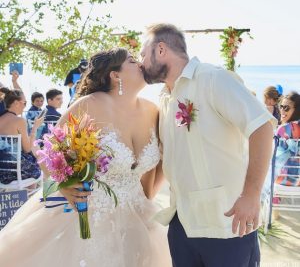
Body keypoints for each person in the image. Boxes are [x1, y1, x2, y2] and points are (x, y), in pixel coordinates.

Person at [0, 48, 171, 267]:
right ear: (115, 74)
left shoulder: (153, 110)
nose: (140, 64)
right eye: (132, 61)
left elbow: (149, 185)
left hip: (140, 217)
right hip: (90, 216)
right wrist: (63, 184)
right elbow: (45, 152)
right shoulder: (88, 105)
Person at [140, 23, 276, 267]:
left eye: (142, 53)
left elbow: (263, 128)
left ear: (161, 50)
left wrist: (252, 195)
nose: (140, 62)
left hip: (226, 224)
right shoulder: (164, 98)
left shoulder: (213, 78)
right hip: (182, 227)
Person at [0, 88, 44, 185]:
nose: (25, 106)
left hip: (1, 170)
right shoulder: (19, 121)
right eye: (24, 102)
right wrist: (35, 128)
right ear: (16, 102)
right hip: (16, 170)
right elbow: (27, 149)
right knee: (37, 162)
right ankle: (28, 198)